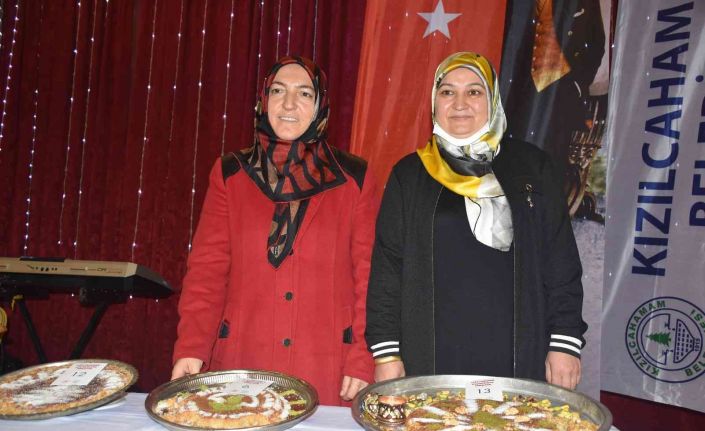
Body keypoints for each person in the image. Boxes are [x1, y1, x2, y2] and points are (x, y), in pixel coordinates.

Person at [365, 52, 586, 390]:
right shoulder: (410, 175)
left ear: (493, 99)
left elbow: (561, 261)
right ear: (434, 102)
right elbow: (387, 270)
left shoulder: (532, 167)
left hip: (520, 356)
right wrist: (386, 353)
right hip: (430, 359)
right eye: (447, 92)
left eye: (474, 91)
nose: (460, 104)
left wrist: (565, 342)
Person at [172, 56, 379, 405]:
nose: (288, 104)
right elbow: (207, 273)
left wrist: (363, 358)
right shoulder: (230, 174)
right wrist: (192, 347)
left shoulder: (354, 178)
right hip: (242, 365)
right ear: (264, 100)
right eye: (279, 91)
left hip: (328, 369)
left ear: (320, 105)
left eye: (304, 94)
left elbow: (371, 278)